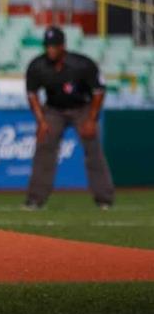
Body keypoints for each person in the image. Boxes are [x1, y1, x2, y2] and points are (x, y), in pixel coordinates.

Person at [24, 26, 114, 210]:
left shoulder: (81, 64)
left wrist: (91, 119)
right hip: (54, 109)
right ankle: (35, 199)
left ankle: (104, 198)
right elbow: (32, 94)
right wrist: (41, 121)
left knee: (93, 150)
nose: (51, 50)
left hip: (82, 108)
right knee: (44, 148)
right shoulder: (37, 66)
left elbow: (99, 91)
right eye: (48, 46)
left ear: (63, 46)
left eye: (54, 46)